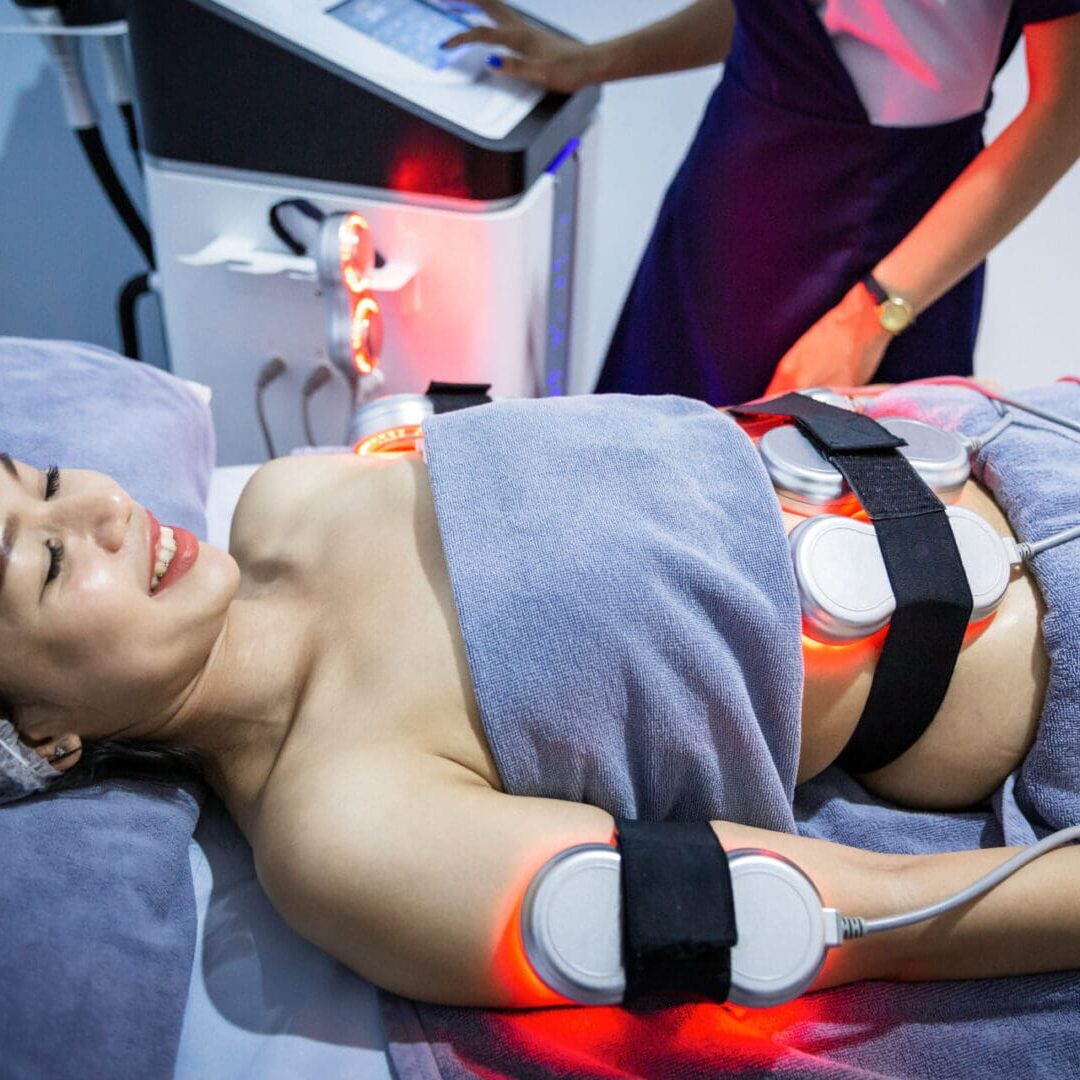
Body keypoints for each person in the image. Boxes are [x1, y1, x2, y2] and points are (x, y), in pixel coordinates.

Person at [1, 388, 1078, 1009]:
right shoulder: (343, 829)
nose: (98, 508)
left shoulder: (295, 496)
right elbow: (816, 918)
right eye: (42, 567)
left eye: (45, 479)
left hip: (1020, 446)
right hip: (1034, 663)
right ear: (44, 740)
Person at [445, 1, 1080, 403]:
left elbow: (1065, 111)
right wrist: (593, 61)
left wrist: (870, 316)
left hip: (870, 248)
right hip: (721, 201)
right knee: (632, 496)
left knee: (818, 558)